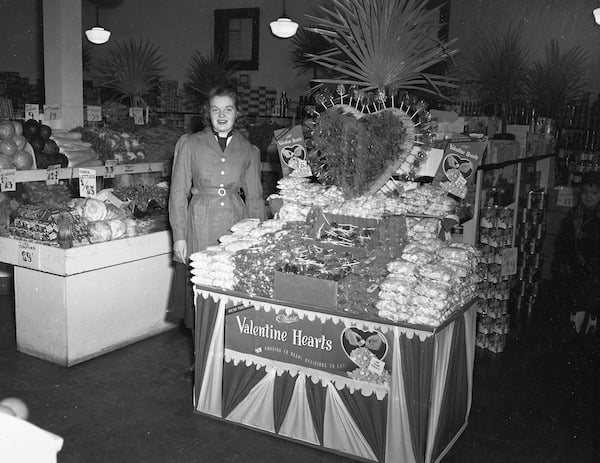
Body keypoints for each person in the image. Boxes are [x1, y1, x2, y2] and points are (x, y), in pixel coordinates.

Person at [167, 85, 265, 375]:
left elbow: (256, 196)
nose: (222, 115)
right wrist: (179, 235)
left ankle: (230, 355)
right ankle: (203, 358)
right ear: (207, 113)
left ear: (238, 112)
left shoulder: (249, 149)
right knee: (203, 292)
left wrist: (254, 237)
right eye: (215, 109)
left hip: (236, 224)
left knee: (231, 290)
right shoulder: (190, 144)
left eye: (228, 109)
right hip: (199, 222)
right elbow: (177, 192)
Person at [554, 171, 600, 339]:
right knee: (575, 298)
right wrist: (562, 262)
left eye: (594, 193)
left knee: (593, 300)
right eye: (585, 192)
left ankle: (592, 325)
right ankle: (576, 325)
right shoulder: (574, 214)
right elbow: (563, 240)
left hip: (595, 268)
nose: (589, 197)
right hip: (575, 266)